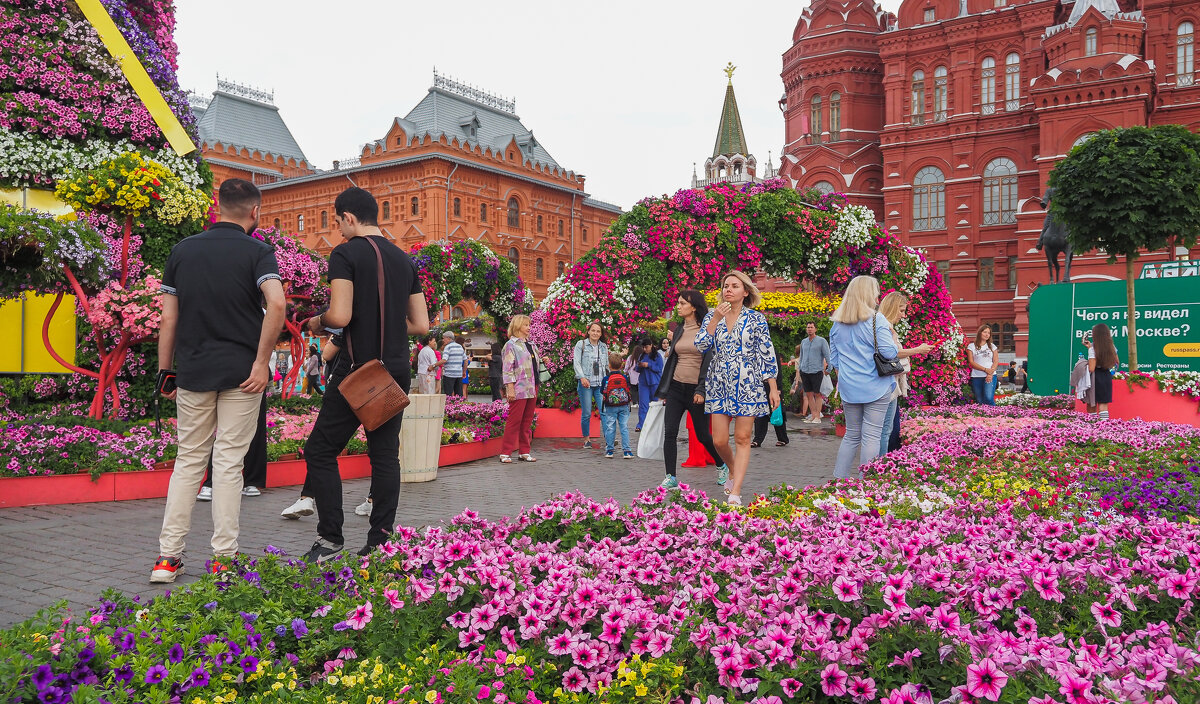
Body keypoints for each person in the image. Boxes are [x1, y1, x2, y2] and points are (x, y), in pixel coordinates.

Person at [151, 178, 285, 583]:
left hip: (193, 371)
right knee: (228, 464)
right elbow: (276, 303)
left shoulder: (182, 251)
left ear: (217, 205)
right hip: (242, 374)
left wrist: (164, 369)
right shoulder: (260, 252)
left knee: (189, 461)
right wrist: (263, 363)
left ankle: (167, 559)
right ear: (255, 212)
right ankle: (224, 559)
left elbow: (168, 318)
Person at [299, 186, 430, 563]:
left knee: (320, 450)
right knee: (385, 455)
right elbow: (420, 324)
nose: (339, 230)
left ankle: (330, 538)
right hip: (395, 369)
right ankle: (380, 541)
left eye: (339, 222)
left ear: (350, 218)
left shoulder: (345, 253)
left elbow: (339, 317)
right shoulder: (404, 260)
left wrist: (314, 322)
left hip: (358, 371)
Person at [694, 270, 780, 507]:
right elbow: (701, 345)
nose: (728, 289)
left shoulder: (756, 319)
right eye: (725, 286)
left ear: (745, 291)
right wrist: (713, 321)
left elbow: (766, 354)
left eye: (734, 286)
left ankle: (736, 492)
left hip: (748, 382)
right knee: (720, 441)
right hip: (719, 382)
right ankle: (732, 469)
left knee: (742, 438)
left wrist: (772, 388)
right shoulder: (713, 315)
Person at [828, 275, 899, 480]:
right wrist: (894, 340)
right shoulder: (877, 320)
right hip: (876, 386)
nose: (877, 296)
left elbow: (835, 359)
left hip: (850, 388)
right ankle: (864, 482)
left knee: (851, 435)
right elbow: (889, 354)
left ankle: (839, 480)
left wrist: (848, 377)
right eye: (876, 292)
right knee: (872, 436)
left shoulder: (837, 323)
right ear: (868, 294)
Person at [655, 289, 727, 489]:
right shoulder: (678, 329)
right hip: (676, 388)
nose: (678, 306)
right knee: (669, 432)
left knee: (703, 435)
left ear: (693, 306)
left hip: (696, 391)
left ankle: (722, 465)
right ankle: (670, 476)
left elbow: (709, 360)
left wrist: (702, 390)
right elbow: (674, 358)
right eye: (677, 303)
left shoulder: (706, 330)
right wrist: (666, 388)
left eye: (682, 303)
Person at [281, 335, 345, 520]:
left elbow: (328, 352)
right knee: (383, 453)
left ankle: (328, 531)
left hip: (348, 385)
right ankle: (377, 511)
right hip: (383, 383)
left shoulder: (351, 315)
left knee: (320, 448)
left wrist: (321, 321)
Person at [876, 292, 933, 457]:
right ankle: (879, 464)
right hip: (887, 383)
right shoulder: (884, 326)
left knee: (888, 428)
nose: (903, 315)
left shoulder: (884, 325)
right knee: (885, 429)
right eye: (901, 310)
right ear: (892, 308)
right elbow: (891, 353)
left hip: (889, 383)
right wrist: (918, 350)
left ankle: (880, 461)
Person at [197, 392, 268, 500]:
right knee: (209, 429)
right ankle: (211, 482)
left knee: (252, 426)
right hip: (206, 380)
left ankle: (252, 480)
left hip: (248, 379)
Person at [499, 315, 539, 463]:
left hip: (533, 386)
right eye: (526, 325)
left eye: (529, 325)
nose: (529, 327)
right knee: (514, 420)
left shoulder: (532, 345)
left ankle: (524, 451)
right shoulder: (511, 345)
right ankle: (505, 452)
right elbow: (507, 368)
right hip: (519, 387)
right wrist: (510, 388)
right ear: (517, 326)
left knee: (527, 421)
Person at [573, 322, 608, 449]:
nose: (595, 333)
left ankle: (608, 439)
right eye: (593, 330)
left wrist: (608, 381)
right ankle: (587, 439)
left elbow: (606, 366)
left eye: (598, 331)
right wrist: (582, 377)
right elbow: (576, 362)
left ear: (601, 334)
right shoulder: (581, 345)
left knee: (604, 412)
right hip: (586, 384)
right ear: (588, 331)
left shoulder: (603, 347)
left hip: (600, 384)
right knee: (587, 412)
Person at [600, 352, 634, 459]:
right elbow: (629, 389)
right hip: (624, 405)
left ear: (609, 365)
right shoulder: (625, 377)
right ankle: (627, 451)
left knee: (610, 427)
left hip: (610, 406)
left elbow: (602, 391)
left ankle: (610, 450)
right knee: (624, 427)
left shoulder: (606, 379)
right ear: (621, 366)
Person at [798, 322, 830, 423]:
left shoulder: (821, 341)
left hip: (816, 370)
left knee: (817, 394)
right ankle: (812, 415)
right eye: (808, 327)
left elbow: (827, 355)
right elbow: (801, 356)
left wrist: (829, 369)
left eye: (811, 327)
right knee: (808, 394)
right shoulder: (804, 341)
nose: (809, 329)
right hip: (805, 370)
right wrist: (800, 368)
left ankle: (817, 417)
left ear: (815, 329)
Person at [752, 362, 789, 448]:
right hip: (760, 385)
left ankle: (782, 438)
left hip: (772, 384)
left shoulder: (772, 351)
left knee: (777, 411)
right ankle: (757, 439)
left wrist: (778, 388)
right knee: (761, 412)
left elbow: (777, 370)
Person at [1087, 324, 1118, 420]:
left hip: (1094, 377)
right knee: (1104, 403)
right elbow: (1116, 362)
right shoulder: (1112, 346)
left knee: (1092, 403)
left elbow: (1091, 368)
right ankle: (1104, 427)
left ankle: (1091, 426)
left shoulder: (1093, 349)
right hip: (1106, 375)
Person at [634, 338, 664, 431]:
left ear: (651, 345)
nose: (645, 349)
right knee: (643, 405)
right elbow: (636, 369)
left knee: (656, 405)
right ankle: (641, 425)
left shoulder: (657, 355)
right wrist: (639, 365)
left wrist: (649, 365)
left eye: (646, 347)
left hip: (655, 382)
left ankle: (656, 425)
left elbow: (659, 368)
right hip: (643, 383)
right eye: (643, 347)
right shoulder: (642, 356)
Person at [967, 325, 999, 405]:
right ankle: (983, 417)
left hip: (990, 376)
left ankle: (995, 415)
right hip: (976, 376)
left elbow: (995, 361)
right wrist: (985, 369)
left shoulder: (992, 346)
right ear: (980, 333)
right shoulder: (971, 346)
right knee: (979, 400)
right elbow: (971, 362)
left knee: (988, 397)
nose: (987, 334)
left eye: (989, 333)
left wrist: (990, 373)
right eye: (985, 332)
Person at [440, 331, 466, 396]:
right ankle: (458, 406)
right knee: (459, 395)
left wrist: (433, 365)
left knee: (448, 395)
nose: (443, 340)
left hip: (449, 374)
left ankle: (449, 406)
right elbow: (465, 360)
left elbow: (444, 360)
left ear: (448, 338)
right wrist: (464, 371)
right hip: (458, 374)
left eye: (444, 338)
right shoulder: (460, 347)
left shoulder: (448, 347)